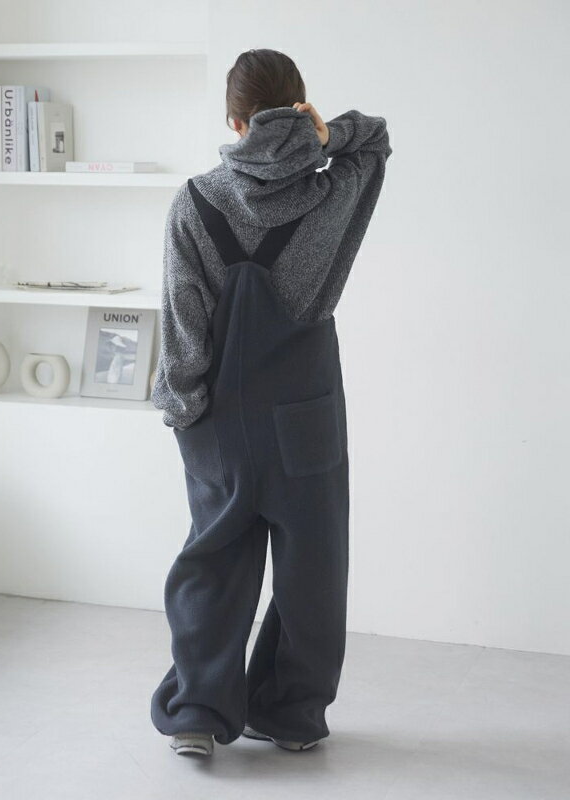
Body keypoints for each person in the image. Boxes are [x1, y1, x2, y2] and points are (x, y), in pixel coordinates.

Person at [150, 48, 393, 757]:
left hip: (218, 420)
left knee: (214, 564)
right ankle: (288, 714)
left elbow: (182, 319)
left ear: (234, 120)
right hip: (306, 414)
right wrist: (324, 136)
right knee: (313, 569)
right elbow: (374, 136)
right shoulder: (332, 191)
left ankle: (197, 713)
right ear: (301, 107)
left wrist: (183, 409)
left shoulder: (196, 200)